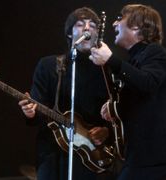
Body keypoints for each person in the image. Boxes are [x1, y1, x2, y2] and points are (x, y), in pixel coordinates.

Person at [89, 4, 166, 179]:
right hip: (142, 156)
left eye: (120, 18)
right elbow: (141, 103)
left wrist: (111, 60)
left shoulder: (156, 52)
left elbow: (148, 83)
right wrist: (114, 109)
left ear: (136, 26)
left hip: (157, 157)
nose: (113, 23)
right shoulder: (135, 59)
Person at [18, 7, 114, 180]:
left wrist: (107, 131)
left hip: (91, 156)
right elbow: (36, 106)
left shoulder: (106, 71)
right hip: (52, 154)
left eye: (93, 25)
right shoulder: (49, 65)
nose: (87, 28)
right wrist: (30, 112)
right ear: (70, 33)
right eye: (80, 24)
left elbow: (118, 113)